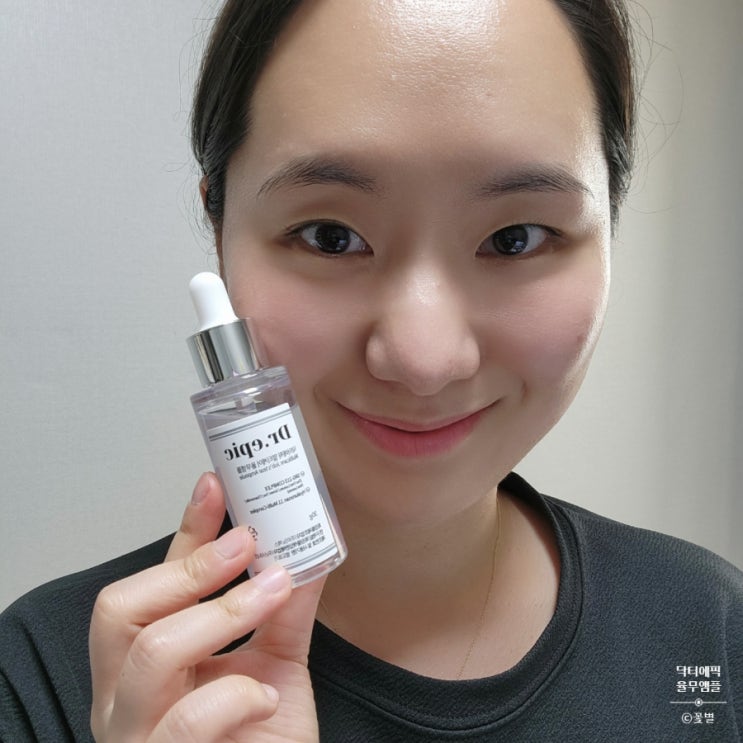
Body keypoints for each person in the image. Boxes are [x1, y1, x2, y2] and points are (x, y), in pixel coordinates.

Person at [1, 0, 741, 740]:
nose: (423, 360)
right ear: (221, 237)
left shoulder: (708, 628)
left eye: (515, 237)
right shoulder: (42, 686)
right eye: (330, 236)